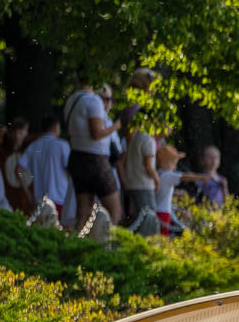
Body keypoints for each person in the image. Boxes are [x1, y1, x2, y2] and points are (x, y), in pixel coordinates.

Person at [61, 78, 119, 225]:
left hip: (77, 157)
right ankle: (107, 246)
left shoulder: (72, 100)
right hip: (95, 160)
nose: (108, 102)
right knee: (115, 211)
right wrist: (118, 125)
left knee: (83, 213)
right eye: (106, 98)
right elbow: (97, 134)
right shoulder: (93, 101)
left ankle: (78, 246)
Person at [21, 115, 72, 220]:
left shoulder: (33, 146)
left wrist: (28, 194)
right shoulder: (62, 145)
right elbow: (71, 169)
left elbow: (18, 169)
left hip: (39, 199)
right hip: (60, 198)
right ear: (55, 128)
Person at [118, 107, 157, 226]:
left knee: (135, 220)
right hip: (143, 185)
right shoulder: (148, 140)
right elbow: (148, 166)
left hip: (132, 185)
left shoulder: (134, 139)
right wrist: (157, 180)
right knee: (148, 221)